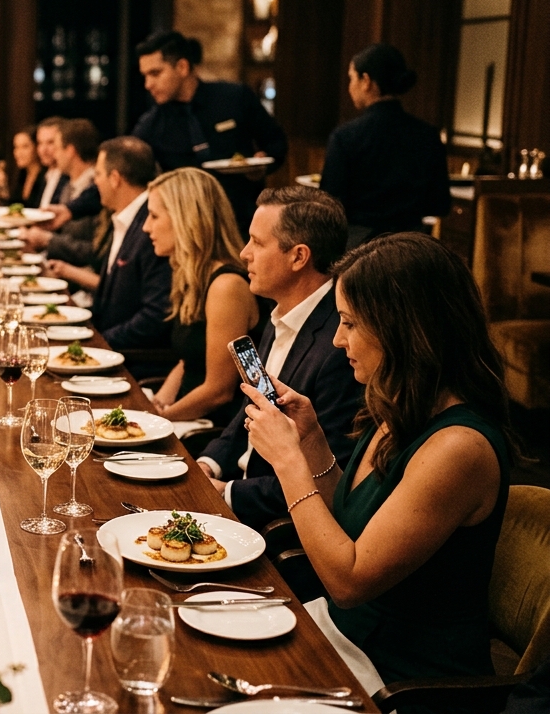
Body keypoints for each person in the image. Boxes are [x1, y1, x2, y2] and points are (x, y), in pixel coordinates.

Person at [240, 232, 513, 691]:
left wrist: (288, 463)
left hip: (397, 677)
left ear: (402, 329)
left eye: (349, 323)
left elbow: (348, 582)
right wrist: (312, 444)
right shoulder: (402, 405)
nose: (336, 340)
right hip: (343, 636)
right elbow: (354, 528)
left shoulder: (459, 447)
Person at [195, 187, 363, 530]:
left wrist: (227, 493)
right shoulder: (283, 310)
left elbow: (329, 477)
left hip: (271, 525)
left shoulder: (341, 346)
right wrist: (208, 464)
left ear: (298, 257)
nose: (244, 254)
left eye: (257, 242)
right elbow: (252, 409)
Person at [133, 30, 288, 236]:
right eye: (145, 76)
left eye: (155, 73)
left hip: (244, 221)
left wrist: (262, 163)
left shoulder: (234, 98)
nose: (148, 84)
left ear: (182, 67)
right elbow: (127, 167)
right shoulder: (151, 125)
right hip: (188, 229)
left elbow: (277, 143)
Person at [141, 167, 260, 425]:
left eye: (153, 216)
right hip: (185, 417)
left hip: (211, 430)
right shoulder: (192, 274)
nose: (145, 227)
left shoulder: (226, 285)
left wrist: (156, 422)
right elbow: (190, 359)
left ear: (186, 219)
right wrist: (160, 401)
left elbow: (219, 392)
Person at [46, 136, 172, 354]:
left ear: (115, 178)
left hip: (131, 360)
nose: (96, 183)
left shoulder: (150, 226)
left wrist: (98, 341)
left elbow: (155, 315)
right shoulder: (124, 217)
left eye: (98, 175)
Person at [321, 43, 450, 247]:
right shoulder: (427, 135)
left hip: (359, 249)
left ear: (366, 81)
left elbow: (330, 205)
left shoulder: (346, 136)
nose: (349, 86)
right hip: (411, 247)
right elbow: (440, 203)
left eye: (351, 78)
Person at [23, 118, 102, 254]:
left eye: (56, 147)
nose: (54, 153)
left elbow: (97, 251)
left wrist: (47, 240)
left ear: (70, 151)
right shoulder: (69, 187)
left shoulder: (98, 189)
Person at [0, 126, 42, 205]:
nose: (18, 153)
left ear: (37, 147)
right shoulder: (22, 174)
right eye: (16, 147)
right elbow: (14, 207)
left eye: (25, 147)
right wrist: (2, 186)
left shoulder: (45, 177)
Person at [31, 117, 67, 208]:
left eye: (50, 142)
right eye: (40, 143)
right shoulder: (45, 175)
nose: (43, 150)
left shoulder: (68, 178)